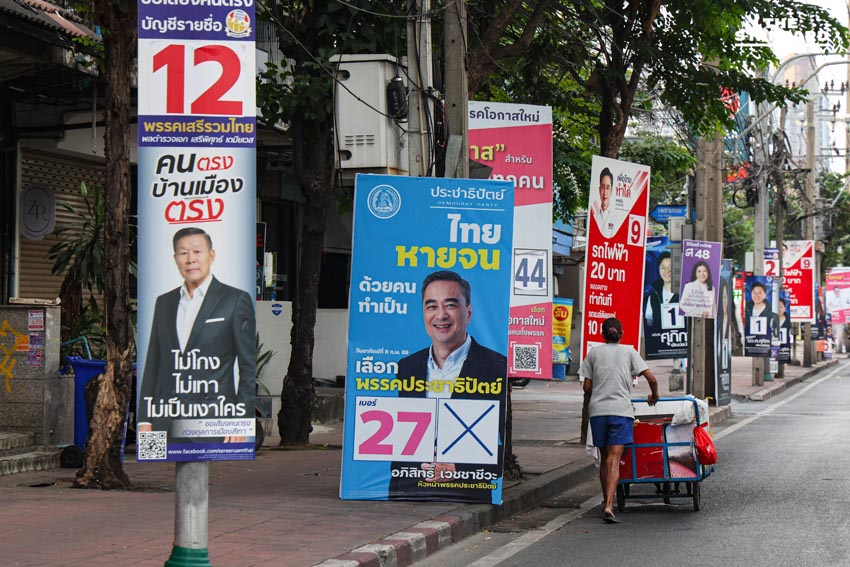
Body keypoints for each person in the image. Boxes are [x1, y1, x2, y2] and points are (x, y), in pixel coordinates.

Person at [389, 270, 507, 502]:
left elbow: (503, 444)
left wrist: (456, 466)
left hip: (466, 493)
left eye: (450, 305)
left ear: (468, 313)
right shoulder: (408, 366)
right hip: (410, 492)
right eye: (431, 306)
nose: (440, 315)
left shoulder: (496, 366)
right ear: (423, 313)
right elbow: (399, 443)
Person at [137, 227, 255, 445]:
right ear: (175, 259)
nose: (190, 259)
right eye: (183, 253)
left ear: (211, 255)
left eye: (197, 251)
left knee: (204, 474)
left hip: (215, 418)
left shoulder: (235, 300)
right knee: (170, 470)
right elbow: (153, 363)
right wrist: (144, 419)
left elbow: (248, 366)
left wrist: (242, 417)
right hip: (165, 420)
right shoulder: (164, 302)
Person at [580, 317, 659, 524]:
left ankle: (605, 502)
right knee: (613, 459)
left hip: (598, 412)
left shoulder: (594, 353)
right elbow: (651, 378)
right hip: (620, 412)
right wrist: (654, 395)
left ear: (602, 335)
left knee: (604, 458)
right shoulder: (629, 352)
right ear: (621, 334)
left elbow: (587, 387)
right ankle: (608, 505)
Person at [644, 251, 679, 328]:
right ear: (658, 269)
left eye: (670, 267)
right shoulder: (653, 296)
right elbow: (649, 322)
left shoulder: (683, 294)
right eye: (663, 267)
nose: (667, 271)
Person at [592, 167, 617, 238]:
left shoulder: (616, 218)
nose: (605, 192)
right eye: (603, 187)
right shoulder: (594, 216)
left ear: (611, 190)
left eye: (608, 187)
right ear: (599, 189)